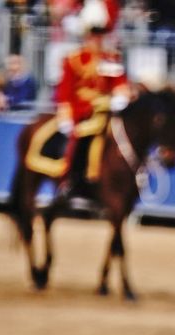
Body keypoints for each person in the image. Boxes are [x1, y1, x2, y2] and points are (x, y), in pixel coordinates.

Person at [54, 1, 126, 194]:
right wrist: (65, 114)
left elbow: (119, 83)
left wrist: (120, 96)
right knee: (76, 141)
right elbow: (65, 90)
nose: (97, 38)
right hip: (82, 112)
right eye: (93, 34)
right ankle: (68, 179)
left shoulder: (110, 58)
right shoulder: (74, 59)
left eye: (100, 34)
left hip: (107, 112)